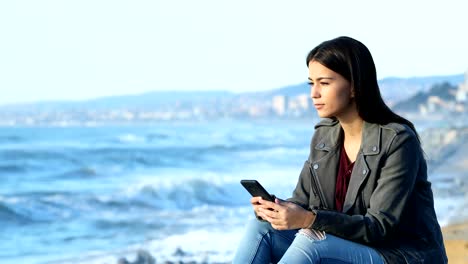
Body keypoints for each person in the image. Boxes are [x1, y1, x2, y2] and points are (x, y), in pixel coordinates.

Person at [233, 36, 447, 264]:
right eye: (311, 83)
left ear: (354, 86)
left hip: (397, 254)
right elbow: (303, 202)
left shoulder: (398, 141)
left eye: (324, 83)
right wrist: (276, 211)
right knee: (261, 228)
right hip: (348, 246)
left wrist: (307, 219)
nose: (314, 93)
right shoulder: (324, 135)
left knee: (311, 240)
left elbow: (379, 227)